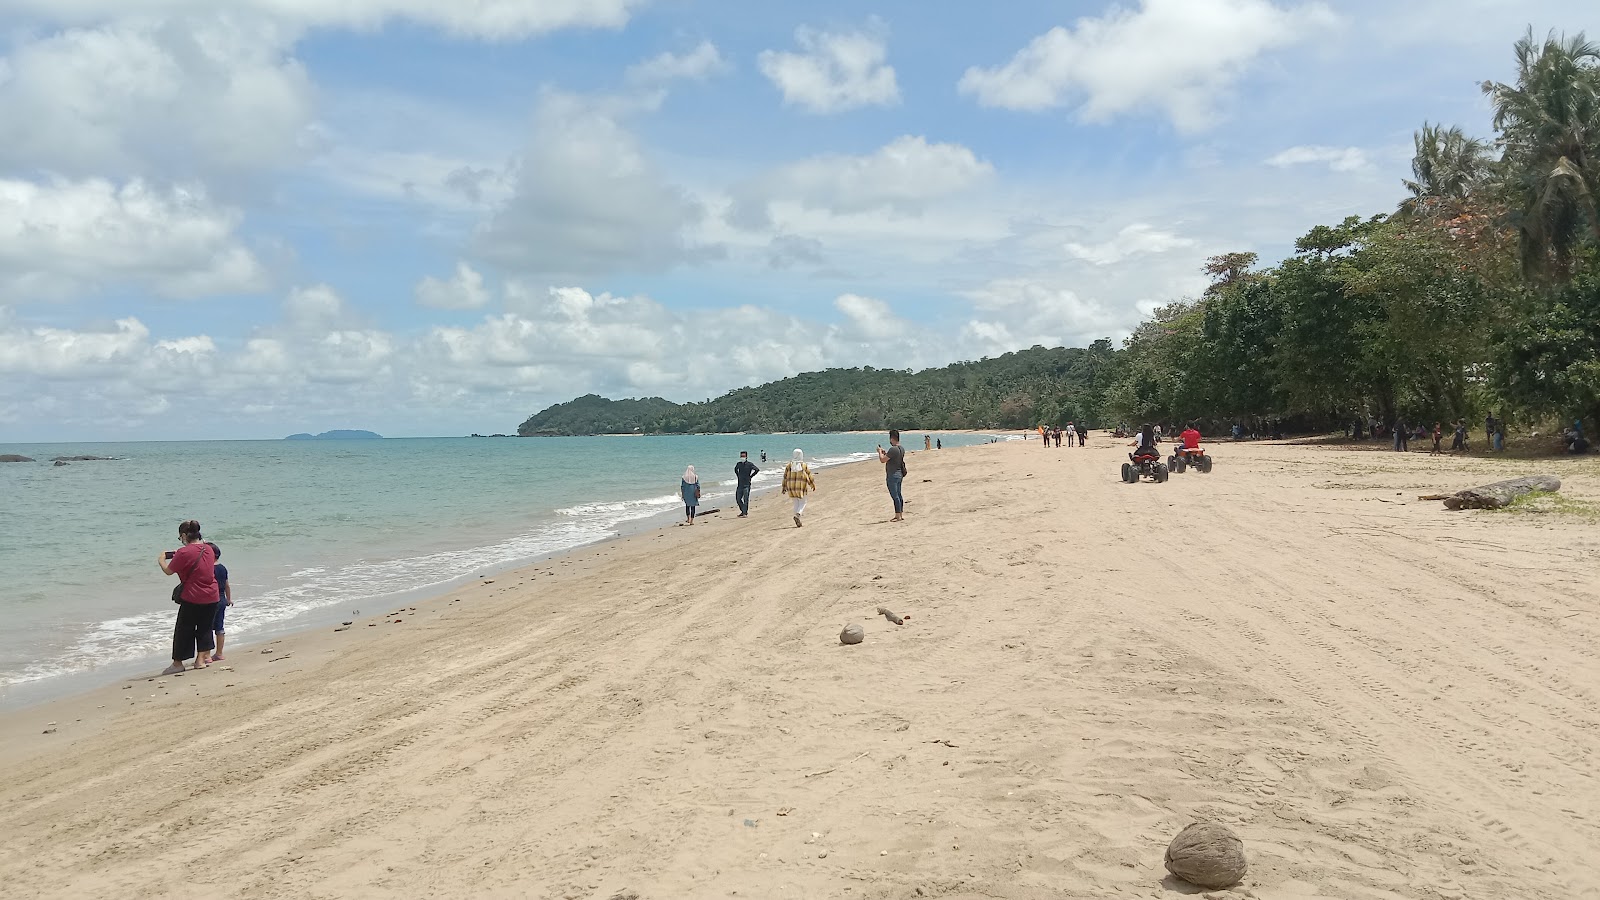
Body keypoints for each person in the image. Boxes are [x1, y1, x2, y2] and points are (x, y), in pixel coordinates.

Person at [158, 519, 219, 675]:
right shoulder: (209, 549)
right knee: (205, 628)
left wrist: (161, 560)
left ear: (184, 535)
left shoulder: (183, 552)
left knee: (184, 630)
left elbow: (168, 571)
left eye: (180, 538)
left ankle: (178, 663)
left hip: (193, 596)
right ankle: (200, 660)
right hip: (212, 594)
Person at [207, 542, 233, 662]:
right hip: (222, 599)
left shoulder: (208, 568)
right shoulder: (222, 568)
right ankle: (219, 653)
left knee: (206, 628)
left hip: (211, 600)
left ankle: (206, 655)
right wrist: (229, 599)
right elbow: (227, 585)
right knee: (219, 627)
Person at [878, 429, 907, 522]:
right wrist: (885, 453)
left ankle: (898, 515)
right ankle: (899, 514)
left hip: (893, 475)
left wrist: (879, 452)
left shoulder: (893, 449)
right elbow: (892, 458)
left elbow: (883, 460)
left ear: (891, 438)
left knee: (895, 496)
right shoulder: (901, 448)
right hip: (899, 474)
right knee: (899, 494)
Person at [782, 449, 816, 527]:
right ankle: (798, 515)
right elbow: (809, 475)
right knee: (803, 502)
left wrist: (784, 487)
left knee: (796, 503)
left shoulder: (789, 465)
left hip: (791, 487)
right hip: (801, 487)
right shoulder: (803, 465)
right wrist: (812, 484)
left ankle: (797, 517)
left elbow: (785, 477)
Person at [734, 452, 759, 518]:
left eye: (743, 456)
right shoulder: (739, 464)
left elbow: (757, 470)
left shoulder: (749, 464)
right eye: (741, 456)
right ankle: (743, 511)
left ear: (746, 457)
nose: (742, 457)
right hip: (740, 484)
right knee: (738, 498)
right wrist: (738, 476)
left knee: (746, 499)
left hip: (747, 484)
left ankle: (744, 513)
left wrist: (750, 476)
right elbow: (735, 469)